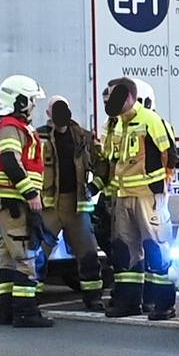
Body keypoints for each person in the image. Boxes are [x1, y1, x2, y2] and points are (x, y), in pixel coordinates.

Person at [96, 75, 177, 320]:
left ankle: (163, 304)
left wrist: (160, 186)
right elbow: (113, 160)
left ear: (129, 96)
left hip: (147, 197)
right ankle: (129, 302)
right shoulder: (117, 124)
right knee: (124, 250)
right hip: (124, 196)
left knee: (157, 248)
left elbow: (169, 154)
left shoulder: (150, 120)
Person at [0, 75, 54, 329]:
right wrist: (31, 194)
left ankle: (8, 311)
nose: (33, 106)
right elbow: (10, 161)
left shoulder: (10, 126)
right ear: (20, 100)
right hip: (14, 202)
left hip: (7, 202)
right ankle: (26, 313)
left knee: (8, 258)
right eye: (31, 101)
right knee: (25, 256)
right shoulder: (11, 126)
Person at [36, 97, 107, 311]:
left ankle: (93, 298)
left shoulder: (83, 137)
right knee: (38, 254)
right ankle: (30, 300)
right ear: (48, 114)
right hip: (49, 206)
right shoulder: (38, 137)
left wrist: (94, 187)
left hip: (77, 206)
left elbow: (102, 164)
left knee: (88, 254)